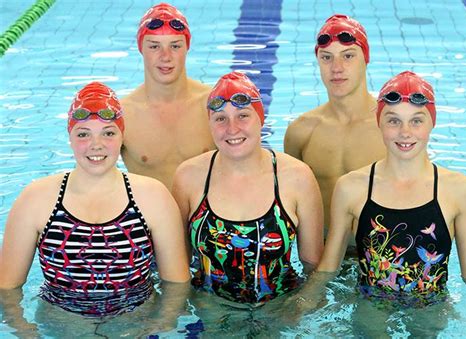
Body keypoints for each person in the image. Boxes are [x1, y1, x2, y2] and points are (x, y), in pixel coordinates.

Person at [0, 82, 190, 320]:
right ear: (69, 137)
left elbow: (176, 285)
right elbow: (7, 290)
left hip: (135, 330)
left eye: (108, 132)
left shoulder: (154, 197)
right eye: (83, 134)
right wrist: (28, 334)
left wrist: (159, 327)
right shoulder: (35, 199)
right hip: (59, 330)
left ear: (122, 136)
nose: (96, 144)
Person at [317, 71, 466, 305]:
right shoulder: (351, 187)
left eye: (416, 120)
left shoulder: (458, 189)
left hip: (431, 306)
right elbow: (328, 270)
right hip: (370, 303)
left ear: (433, 122)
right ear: (379, 122)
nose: (405, 132)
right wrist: (302, 303)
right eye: (393, 120)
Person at [172, 71, 324, 305]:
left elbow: (314, 266)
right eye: (220, 118)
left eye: (243, 116)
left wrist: (301, 308)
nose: (232, 129)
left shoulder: (296, 177)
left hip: (279, 308)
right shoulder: (189, 177)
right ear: (210, 124)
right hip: (209, 307)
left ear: (260, 119)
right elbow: (178, 266)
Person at [284, 14, 386, 229]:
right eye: (326, 57)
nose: (336, 68)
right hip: (320, 257)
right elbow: (287, 205)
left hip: (378, 258)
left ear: (365, 58)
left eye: (348, 56)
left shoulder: (391, 127)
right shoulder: (301, 132)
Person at [120, 3, 215, 190]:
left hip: (203, 217)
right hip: (150, 218)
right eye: (154, 46)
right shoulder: (124, 114)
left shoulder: (213, 104)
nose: (166, 56)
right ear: (141, 48)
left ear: (187, 47)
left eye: (175, 46)